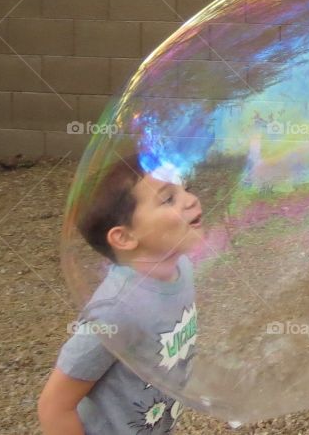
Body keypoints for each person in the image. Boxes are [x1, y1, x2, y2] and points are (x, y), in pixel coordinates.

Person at [37, 152, 204, 434]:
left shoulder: (182, 268)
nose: (190, 199)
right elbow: (54, 406)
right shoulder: (117, 309)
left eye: (185, 187)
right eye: (168, 199)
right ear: (124, 237)